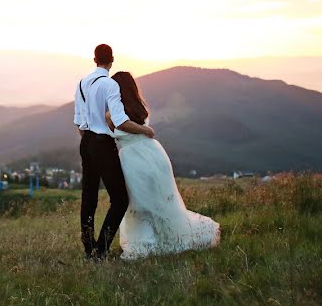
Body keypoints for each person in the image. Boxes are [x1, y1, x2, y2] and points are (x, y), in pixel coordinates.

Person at [107, 71, 221, 259]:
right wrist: (146, 129)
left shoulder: (113, 113)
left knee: (138, 203)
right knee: (156, 199)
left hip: (133, 159)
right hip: (153, 154)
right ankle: (162, 237)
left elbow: (117, 124)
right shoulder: (140, 106)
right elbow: (138, 128)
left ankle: (144, 242)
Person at [74, 44, 156, 260]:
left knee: (88, 196)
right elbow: (120, 121)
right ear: (112, 60)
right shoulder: (110, 85)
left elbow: (79, 122)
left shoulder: (82, 83)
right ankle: (100, 250)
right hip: (102, 143)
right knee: (120, 199)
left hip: (87, 142)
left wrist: (89, 143)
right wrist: (145, 130)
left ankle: (89, 249)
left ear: (94, 59)